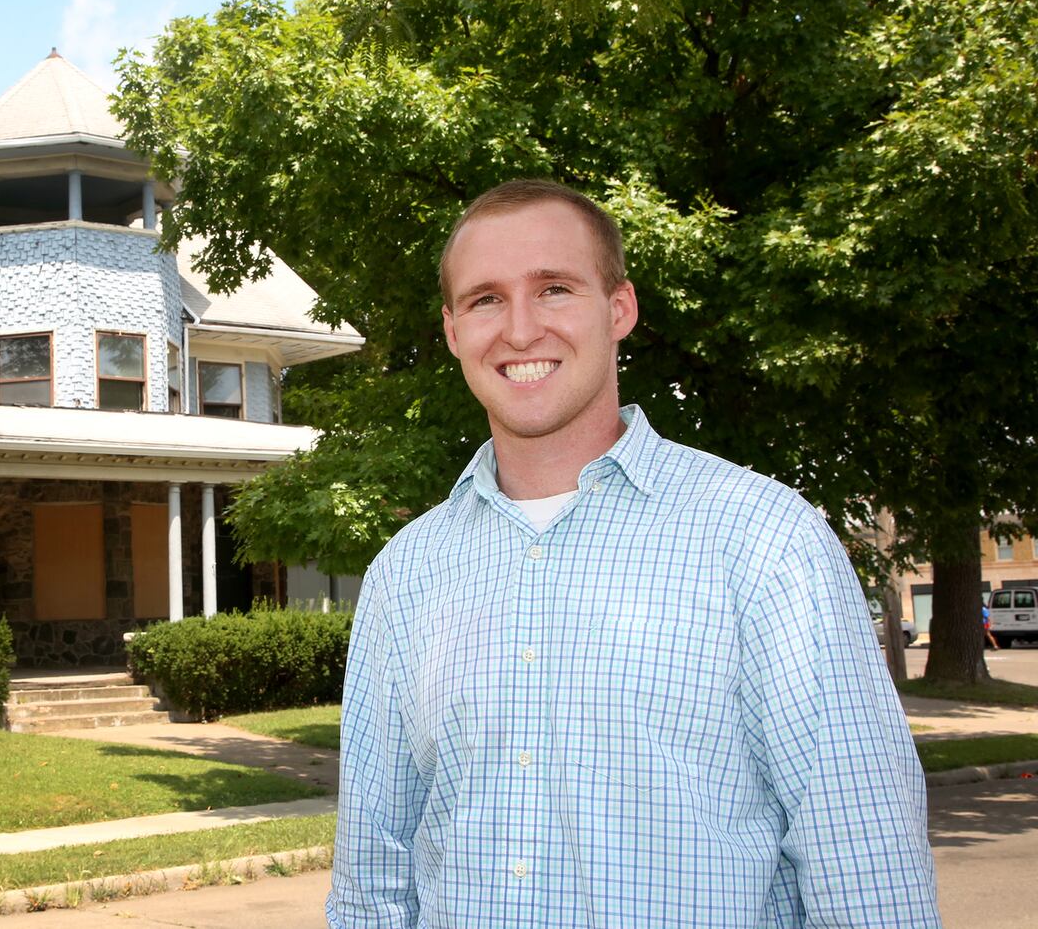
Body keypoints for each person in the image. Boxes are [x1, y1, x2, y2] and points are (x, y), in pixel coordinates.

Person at [327, 181, 939, 928]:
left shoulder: (761, 540)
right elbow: (373, 874)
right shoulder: (406, 573)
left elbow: (865, 861)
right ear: (453, 330)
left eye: (554, 288)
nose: (520, 330)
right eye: (486, 299)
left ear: (619, 309)